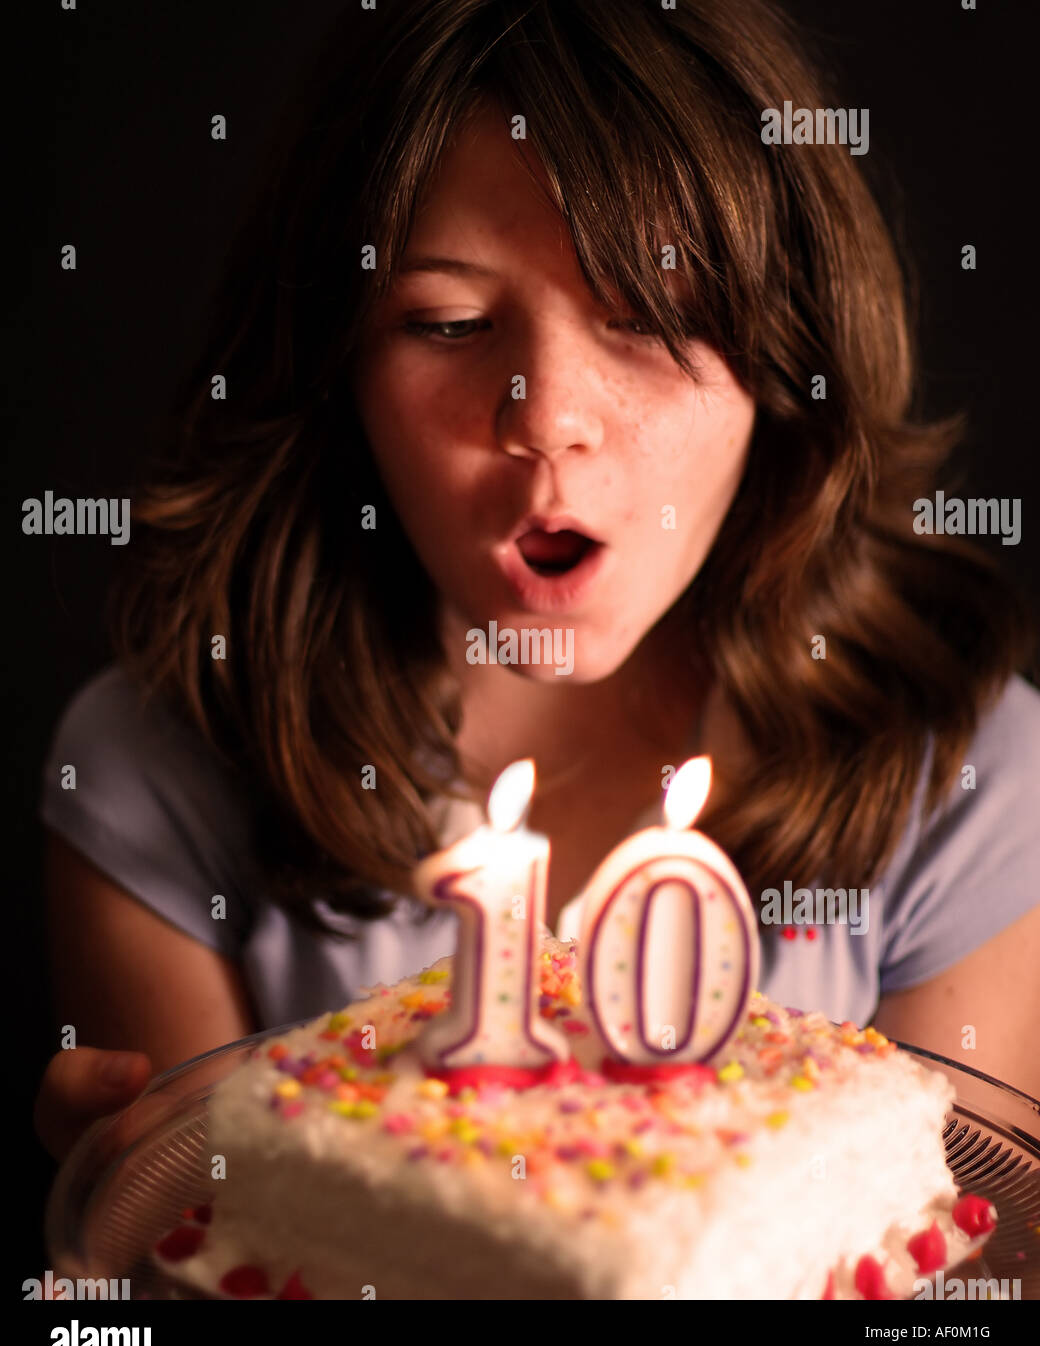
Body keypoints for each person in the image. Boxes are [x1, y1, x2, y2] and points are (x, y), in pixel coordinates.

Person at [34, 0, 1039, 1163]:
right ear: (336, 361)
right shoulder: (154, 773)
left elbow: (946, 1299)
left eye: (648, 318)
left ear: (786, 357)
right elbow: (197, 1250)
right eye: (450, 323)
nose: (546, 419)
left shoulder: (968, 780)